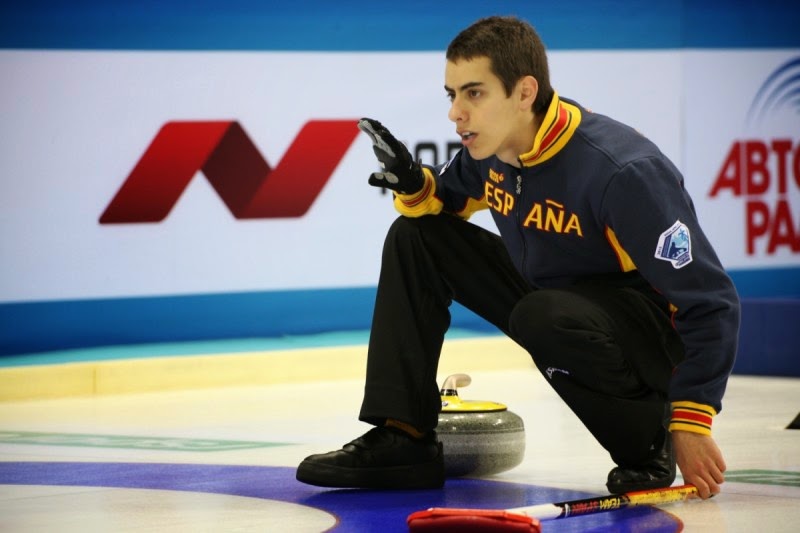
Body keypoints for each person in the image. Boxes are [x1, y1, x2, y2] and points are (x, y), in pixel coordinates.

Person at [296, 15, 740, 500]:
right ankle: (403, 436)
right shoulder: (493, 148)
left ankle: (646, 440)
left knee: (542, 313)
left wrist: (692, 419)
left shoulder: (623, 172)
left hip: (637, 329)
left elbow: (711, 302)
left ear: (524, 92)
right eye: (452, 95)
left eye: (474, 93)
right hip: (553, 298)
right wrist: (414, 183)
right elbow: (447, 197)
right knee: (415, 236)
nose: (456, 114)